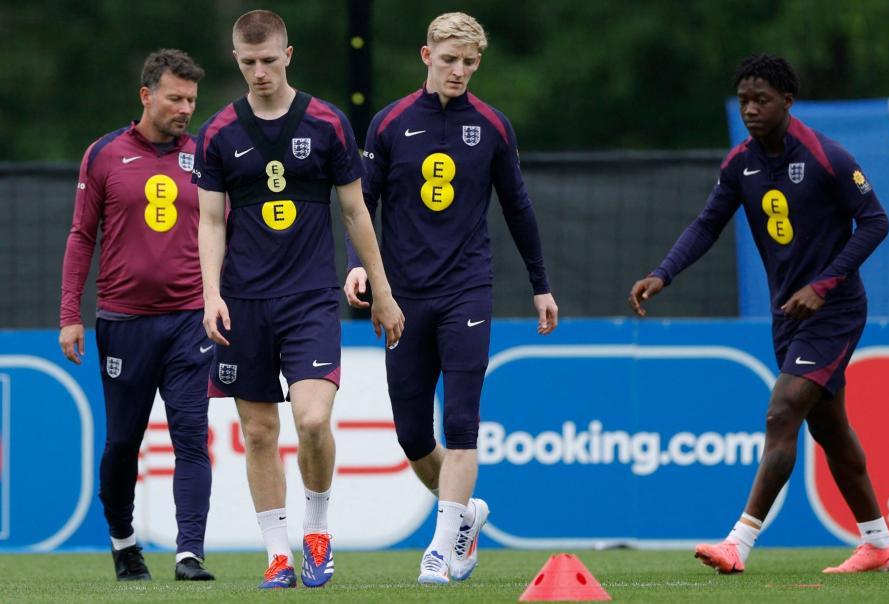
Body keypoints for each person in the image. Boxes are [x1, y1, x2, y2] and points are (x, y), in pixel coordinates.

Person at [629, 54, 889, 574]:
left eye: (762, 100)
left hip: (835, 309)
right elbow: (707, 225)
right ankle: (879, 544)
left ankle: (739, 543)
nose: (751, 109)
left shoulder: (827, 156)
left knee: (781, 413)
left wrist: (824, 284)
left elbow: (875, 221)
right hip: (788, 315)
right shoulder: (740, 164)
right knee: (831, 431)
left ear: (787, 102)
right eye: (745, 100)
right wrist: (663, 273)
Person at [343, 12, 559, 585]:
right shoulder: (388, 124)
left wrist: (541, 285)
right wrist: (358, 269)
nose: (458, 70)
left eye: (468, 62)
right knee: (413, 434)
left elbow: (519, 208)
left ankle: (441, 549)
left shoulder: (492, 126)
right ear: (426, 56)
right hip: (402, 297)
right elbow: (360, 205)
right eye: (449, 60)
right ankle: (465, 516)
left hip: (467, 288)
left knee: (463, 422)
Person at [194, 9, 404, 589]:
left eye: (268, 60)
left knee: (312, 420)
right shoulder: (219, 133)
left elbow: (358, 211)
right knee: (259, 432)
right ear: (236, 59)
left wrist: (381, 292)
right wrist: (210, 295)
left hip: (309, 297)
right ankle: (277, 556)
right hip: (242, 302)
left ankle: (315, 530)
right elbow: (210, 222)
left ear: (288, 55)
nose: (259, 71)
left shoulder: (328, 122)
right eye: (248, 61)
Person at [59, 49, 215, 582]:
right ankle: (124, 543)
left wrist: (221, 303)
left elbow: (225, 236)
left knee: (192, 437)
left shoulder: (204, 157)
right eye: (175, 97)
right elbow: (82, 236)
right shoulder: (103, 154)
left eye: (191, 99)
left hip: (188, 321)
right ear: (146, 95)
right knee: (123, 441)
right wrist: (69, 313)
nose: (185, 109)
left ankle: (189, 553)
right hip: (123, 323)